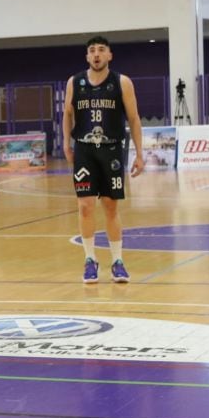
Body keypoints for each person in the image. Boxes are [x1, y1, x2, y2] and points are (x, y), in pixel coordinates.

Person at [62, 35, 144, 283]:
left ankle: (117, 260)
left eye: (101, 50)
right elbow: (67, 114)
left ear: (109, 55)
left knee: (110, 206)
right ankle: (90, 260)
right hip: (85, 149)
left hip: (111, 150)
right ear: (87, 56)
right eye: (92, 51)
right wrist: (66, 143)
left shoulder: (122, 82)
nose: (96, 54)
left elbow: (134, 119)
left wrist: (140, 154)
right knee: (85, 205)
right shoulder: (74, 82)